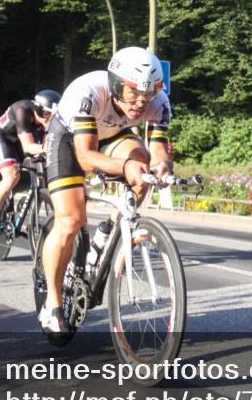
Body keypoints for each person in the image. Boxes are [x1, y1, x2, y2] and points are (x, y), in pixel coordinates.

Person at [40, 46, 172, 335]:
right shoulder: (88, 92)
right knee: (71, 220)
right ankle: (52, 302)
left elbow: (159, 150)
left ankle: (108, 230)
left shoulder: (159, 102)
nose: (141, 101)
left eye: (149, 93)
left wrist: (162, 165)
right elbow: (86, 157)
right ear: (115, 84)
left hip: (113, 135)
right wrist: (124, 166)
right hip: (69, 138)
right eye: (133, 92)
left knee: (143, 166)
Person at [0, 90, 61, 233]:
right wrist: (45, 148)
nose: (50, 119)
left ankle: (31, 200)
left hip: (25, 139)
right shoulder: (22, 111)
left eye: (54, 115)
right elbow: (28, 147)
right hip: (4, 139)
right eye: (47, 114)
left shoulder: (48, 120)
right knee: (12, 177)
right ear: (38, 110)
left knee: (44, 170)